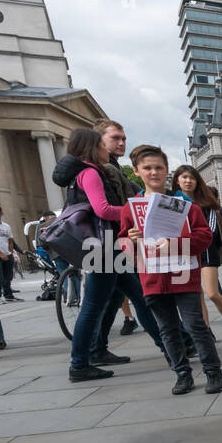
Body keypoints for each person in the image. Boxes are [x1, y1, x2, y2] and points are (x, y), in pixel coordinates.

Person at [54, 127, 165, 382]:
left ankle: (172, 344)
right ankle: (79, 364)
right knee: (94, 307)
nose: (108, 149)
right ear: (92, 148)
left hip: (104, 247)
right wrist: (136, 211)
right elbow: (102, 210)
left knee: (137, 295)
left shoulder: (81, 174)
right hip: (103, 248)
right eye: (103, 145)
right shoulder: (90, 173)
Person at [121, 145, 222, 394]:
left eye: (159, 167)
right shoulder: (130, 208)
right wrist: (130, 241)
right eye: (147, 168)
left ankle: (213, 371)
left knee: (195, 325)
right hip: (153, 278)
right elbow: (123, 244)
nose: (154, 172)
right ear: (136, 171)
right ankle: (182, 374)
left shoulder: (186, 206)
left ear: (167, 171)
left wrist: (176, 244)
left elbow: (204, 237)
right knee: (166, 329)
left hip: (183, 274)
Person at [172, 165, 222, 342]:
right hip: (183, 252)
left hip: (206, 250)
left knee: (212, 293)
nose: (188, 181)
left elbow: (209, 231)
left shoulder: (206, 203)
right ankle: (207, 330)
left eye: (191, 178)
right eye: (184, 177)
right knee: (198, 295)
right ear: (177, 180)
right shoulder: (172, 202)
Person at [89, 120, 141, 352]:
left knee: (109, 300)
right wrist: (137, 213)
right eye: (115, 138)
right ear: (99, 141)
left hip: (112, 243)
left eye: (124, 138)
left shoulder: (112, 167)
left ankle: (95, 350)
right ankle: (180, 344)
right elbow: (106, 209)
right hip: (108, 243)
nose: (122, 143)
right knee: (139, 297)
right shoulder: (103, 169)